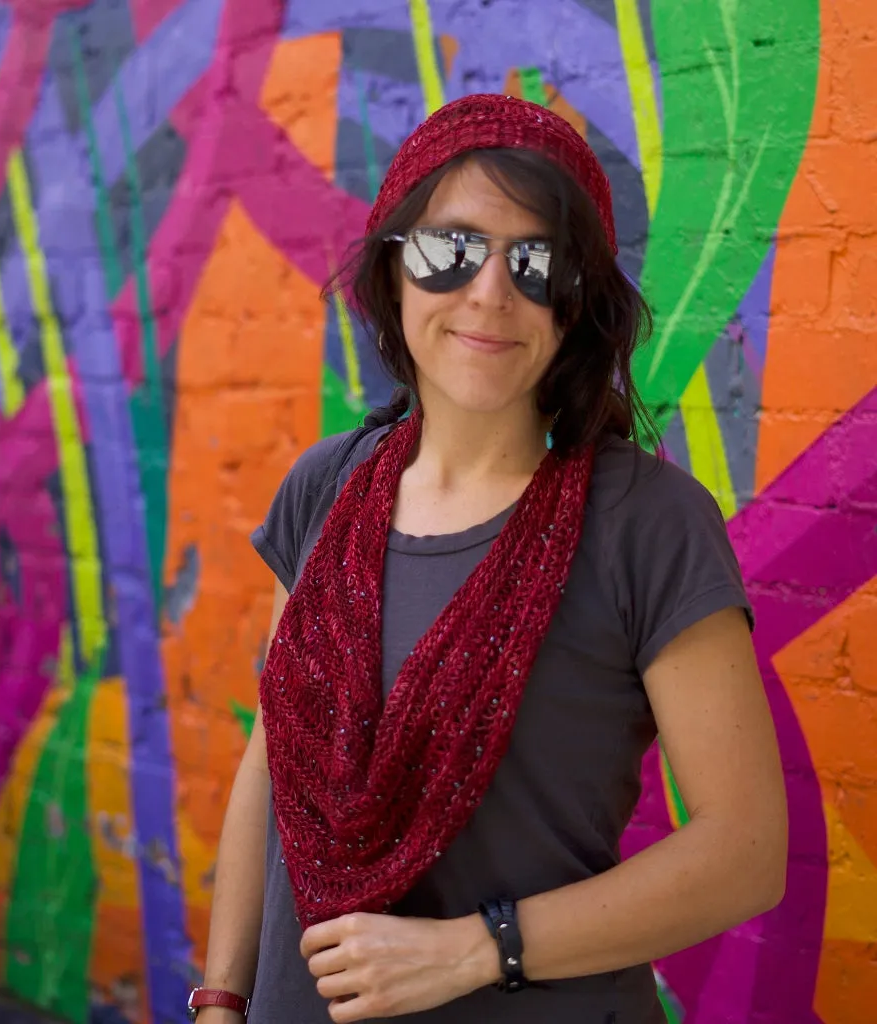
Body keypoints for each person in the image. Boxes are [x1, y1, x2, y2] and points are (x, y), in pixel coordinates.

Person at [186, 93, 787, 1024]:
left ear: (575, 301)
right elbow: (274, 763)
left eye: (537, 262)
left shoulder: (648, 525)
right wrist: (222, 998)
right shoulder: (325, 490)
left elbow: (745, 851)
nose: (490, 292)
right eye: (450, 250)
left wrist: (476, 950)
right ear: (394, 274)